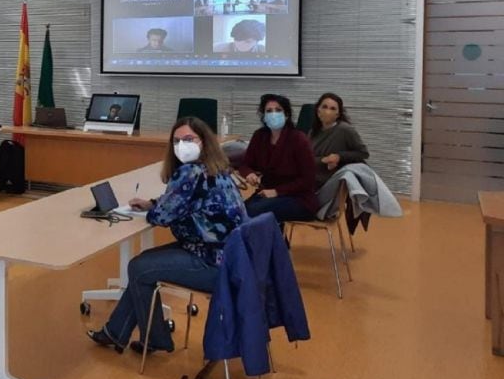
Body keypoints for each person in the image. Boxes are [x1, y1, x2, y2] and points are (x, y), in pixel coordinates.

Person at [87, 116, 245, 355]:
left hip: (213, 263)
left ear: (204, 141)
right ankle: (115, 332)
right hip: (231, 257)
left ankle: (155, 339)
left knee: (140, 267)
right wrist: (153, 203)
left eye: (189, 139)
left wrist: (155, 209)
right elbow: (185, 202)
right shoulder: (217, 168)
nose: (182, 145)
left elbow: (162, 217)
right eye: (177, 141)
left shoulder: (191, 173)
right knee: (143, 266)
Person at [239, 94, 319, 222]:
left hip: (299, 199)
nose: (273, 114)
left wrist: (277, 191)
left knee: (252, 212)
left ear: (286, 115)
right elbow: (245, 165)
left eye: (278, 110)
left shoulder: (298, 139)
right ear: (264, 116)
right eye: (269, 111)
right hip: (267, 194)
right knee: (238, 210)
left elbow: (308, 180)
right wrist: (250, 174)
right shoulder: (259, 136)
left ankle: (272, 240)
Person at [309, 92, 369, 188]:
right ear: (318, 110)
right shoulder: (313, 132)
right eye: (324, 107)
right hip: (312, 177)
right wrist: (323, 160)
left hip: (330, 182)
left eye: (332, 109)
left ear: (338, 114)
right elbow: (307, 159)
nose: (327, 111)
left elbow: (363, 153)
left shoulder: (345, 130)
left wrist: (339, 156)